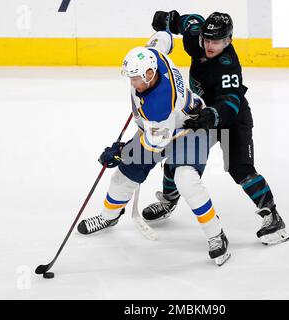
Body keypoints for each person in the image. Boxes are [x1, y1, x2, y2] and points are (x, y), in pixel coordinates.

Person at [76, 31, 231, 266]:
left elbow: (154, 142)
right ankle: (109, 217)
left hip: (191, 129)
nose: (132, 83)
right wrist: (162, 29)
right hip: (159, 128)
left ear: (150, 74)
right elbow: (164, 38)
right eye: (130, 77)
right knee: (124, 175)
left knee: (186, 179)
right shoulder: (153, 56)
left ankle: (215, 234)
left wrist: (121, 150)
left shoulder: (159, 104)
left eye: (136, 78)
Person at [142, 11, 289, 246]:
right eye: (207, 39)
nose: (210, 45)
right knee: (177, 153)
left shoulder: (228, 64)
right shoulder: (196, 38)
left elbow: (231, 103)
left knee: (239, 168)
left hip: (232, 118)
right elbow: (188, 21)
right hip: (201, 113)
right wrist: (169, 20)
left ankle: (273, 216)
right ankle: (170, 200)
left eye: (217, 41)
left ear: (229, 40)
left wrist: (210, 116)